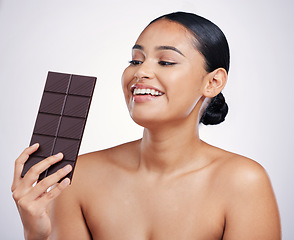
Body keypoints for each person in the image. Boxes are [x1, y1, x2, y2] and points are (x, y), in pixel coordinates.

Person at [11, 12, 281, 240]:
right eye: (135, 60)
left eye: (166, 61)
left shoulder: (243, 182)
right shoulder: (78, 177)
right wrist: (35, 233)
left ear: (213, 83)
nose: (140, 72)